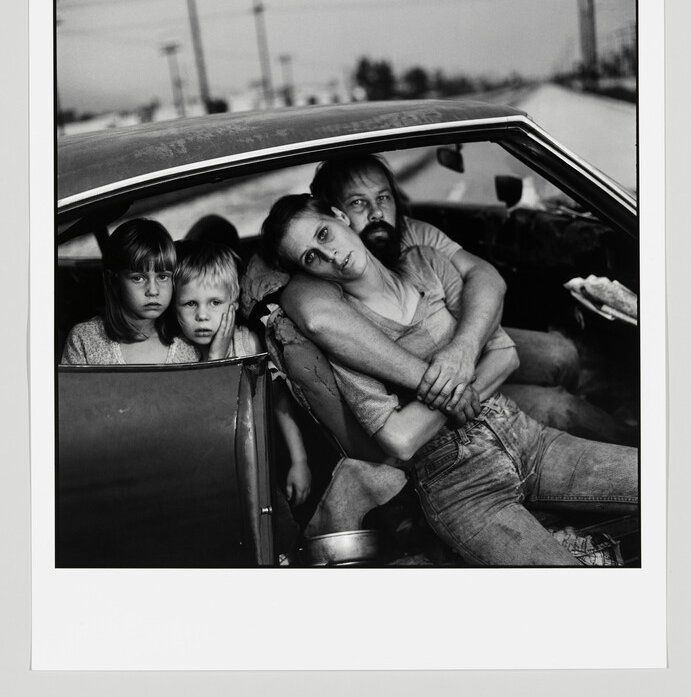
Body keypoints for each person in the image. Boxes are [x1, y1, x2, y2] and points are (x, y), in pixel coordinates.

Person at [261, 194, 638, 567]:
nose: (329, 255)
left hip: (524, 433)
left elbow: (506, 355)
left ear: (341, 217)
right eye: (311, 257)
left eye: (324, 234)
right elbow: (400, 439)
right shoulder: (347, 337)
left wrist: (459, 359)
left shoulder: (426, 263)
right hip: (457, 481)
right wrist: (456, 391)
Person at [276, 153, 632, 444]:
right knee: (559, 408)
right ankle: (633, 441)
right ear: (336, 213)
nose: (376, 213)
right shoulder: (323, 264)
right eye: (358, 203)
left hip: (466, 349)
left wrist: (464, 349)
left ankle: (591, 423)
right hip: (430, 395)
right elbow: (313, 314)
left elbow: (486, 276)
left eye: (383, 198)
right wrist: (450, 388)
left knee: (561, 353)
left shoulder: (414, 234)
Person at [173, 239, 312, 517]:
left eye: (215, 302)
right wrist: (216, 357)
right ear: (174, 307)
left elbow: (277, 401)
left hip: (256, 467)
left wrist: (300, 460)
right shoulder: (176, 352)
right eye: (190, 303)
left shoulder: (247, 342)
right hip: (201, 475)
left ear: (234, 304)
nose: (202, 315)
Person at [61, 219, 199, 365]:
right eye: (138, 278)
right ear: (113, 280)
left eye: (163, 277)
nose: (153, 291)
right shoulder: (85, 339)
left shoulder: (188, 338)